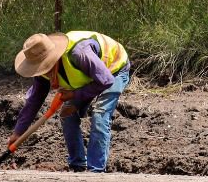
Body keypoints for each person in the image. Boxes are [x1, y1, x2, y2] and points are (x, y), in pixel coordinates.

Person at [10, 30, 131, 172]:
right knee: (66, 114)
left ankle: (96, 170)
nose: (44, 72)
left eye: (46, 67)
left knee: (99, 115)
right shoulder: (42, 70)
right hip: (90, 76)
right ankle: (78, 166)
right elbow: (34, 100)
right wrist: (18, 132)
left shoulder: (79, 54)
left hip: (113, 69)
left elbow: (106, 81)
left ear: (53, 59)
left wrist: (75, 95)